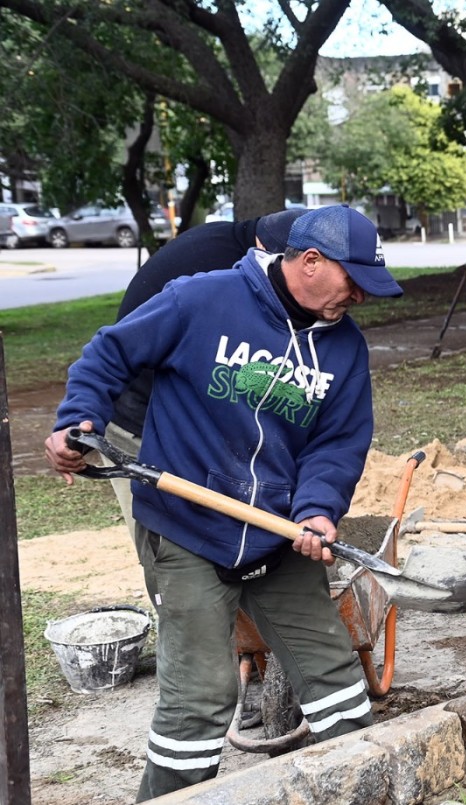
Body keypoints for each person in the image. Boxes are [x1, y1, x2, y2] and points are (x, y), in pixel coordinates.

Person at [44, 204, 403, 800]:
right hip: (188, 529)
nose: (360, 297)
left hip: (277, 532)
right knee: (201, 697)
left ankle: (369, 788)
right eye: (354, 281)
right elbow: (109, 354)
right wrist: (77, 420)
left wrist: (317, 508)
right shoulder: (202, 300)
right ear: (311, 262)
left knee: (335, 676)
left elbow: (337, 442)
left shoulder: (344, 348)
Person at [104, 209, 311, 549]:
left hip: (179, 412)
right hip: (142, 420)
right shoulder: (218, 275)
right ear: (271, 250)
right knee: (170, 547)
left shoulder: (241, 249)